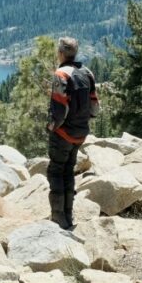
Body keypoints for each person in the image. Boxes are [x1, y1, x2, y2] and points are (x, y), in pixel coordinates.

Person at [46, 36, 100, 229]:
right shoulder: (87, 73)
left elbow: (59, 110)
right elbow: (95, 107)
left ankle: (58, 217)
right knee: (68, 170)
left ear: (61, 53)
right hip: (80, 133)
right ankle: (68, 215)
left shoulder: (61, 74)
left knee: (56, 172)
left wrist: (52, 127)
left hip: (63, 133)